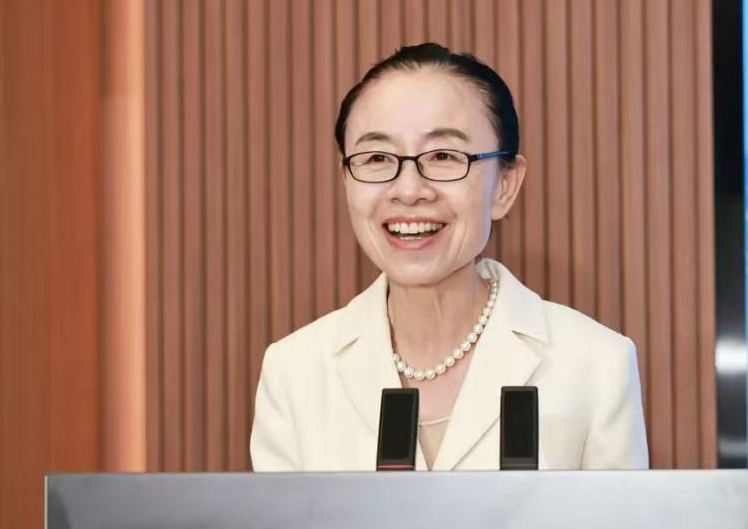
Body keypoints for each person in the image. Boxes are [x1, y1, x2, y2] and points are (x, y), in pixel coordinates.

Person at [250, 43, 648, 471]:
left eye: (443, 156)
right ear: (346, 178)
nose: (408, 190)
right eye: (378, 157)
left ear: (505, 185)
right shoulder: (294, 372)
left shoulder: (595, 363)